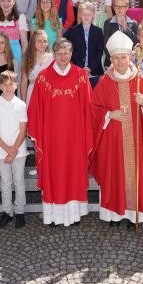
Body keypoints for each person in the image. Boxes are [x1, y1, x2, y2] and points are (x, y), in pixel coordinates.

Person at [90, 31, 143, 225]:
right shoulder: (104, 82)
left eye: (123, 57)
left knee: (133, 175)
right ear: (110, 59)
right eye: (116, 58)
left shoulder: (141, 81)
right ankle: (114, 213)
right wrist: (109, 115)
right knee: (113, 174)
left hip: (136, 140)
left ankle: (132, 214)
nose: (120, 62)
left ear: (130, 57)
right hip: (111, 141)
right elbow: (93, 108)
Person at [27, 39, 94, 226]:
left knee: (74, 171)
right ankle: (54, 215)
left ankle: (75, 215)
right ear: (53, 54)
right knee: (54, 171)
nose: (63, 57)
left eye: (66, 53)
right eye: (59, 53)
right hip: (51, 137)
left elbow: (89, 108)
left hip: (75, 136)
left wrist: (86, 133)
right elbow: (35, 109)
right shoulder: (43, 77)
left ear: (71, 54)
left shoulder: (81, 76)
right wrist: (38, 132)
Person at [0, 71, 29, 228]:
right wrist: (7, 149)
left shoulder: (21, 105)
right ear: (0, 86)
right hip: (1, 151)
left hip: (19, 151)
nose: (8, 87)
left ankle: (19, 211)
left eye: (11, 84)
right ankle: (7, 211)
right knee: (5, 182)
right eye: (5, 84)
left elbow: (22, 130)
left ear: (16, 85)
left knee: (19, 181)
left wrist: (14, 150)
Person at [65, 2, 104, 88]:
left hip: (94, 72)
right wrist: (81, 68)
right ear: (80, 15)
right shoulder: (73, 31)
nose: (86, 17)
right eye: (84, 14)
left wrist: (90, 68)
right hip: (77, 71)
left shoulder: (98, 31)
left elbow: (99, 52)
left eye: (89, 14)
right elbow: (71, 51)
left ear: (93, 15)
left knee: (94, 98)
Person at [103, 0, 139, 68]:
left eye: (122, 7)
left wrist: (126, 29)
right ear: (113, 7)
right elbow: (106, 45)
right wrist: (114, 61)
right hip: (112, 62)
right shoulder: (108, 23)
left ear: (127, 8)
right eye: (116, 6)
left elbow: (136, 44)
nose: (119, 9)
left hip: (129, 62)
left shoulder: (133, 23)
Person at [21, 30, 53, 105]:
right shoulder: (27, 59)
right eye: (39, 41)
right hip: (32, 93)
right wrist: (23, 103)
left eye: (45, 41)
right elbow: (24, 82)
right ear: (33, 43)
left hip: (49, 93)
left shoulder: (52, 58)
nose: (42, 44)